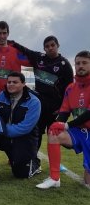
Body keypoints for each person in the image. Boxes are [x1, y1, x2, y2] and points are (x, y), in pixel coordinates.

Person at [10, 36, 74, 168]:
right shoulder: (39, 58)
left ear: (57, 45)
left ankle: (55, 162)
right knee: (36, 132)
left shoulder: (65, 65)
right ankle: (33, 159)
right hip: (39, 105)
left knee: (54, 134)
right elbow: (26, 51)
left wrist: (62, 108)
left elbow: (69, 90)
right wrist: (14, 43)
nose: (50, 48)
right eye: (47, 46)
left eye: (52, 45)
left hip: (55, 107)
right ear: (44, 48)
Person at [36, 50, 90, 189]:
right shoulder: (71, 88)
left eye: (84, 63)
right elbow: (64, 111)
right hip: (80, 131)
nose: (80, 66)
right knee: (53, 133)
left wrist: (66, 125)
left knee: (88, 181)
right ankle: (55, 178)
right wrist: (57, 124)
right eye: (78, 63)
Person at [0, 72, 41, 180]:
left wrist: (2, 129)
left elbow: (25, 127)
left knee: (21, 174)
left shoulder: (34, 101)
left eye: (15, 82)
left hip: (23, 139)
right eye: (9, 82)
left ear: (23, 84)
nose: (11, 84)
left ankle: (34, 163)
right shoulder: (2, 96)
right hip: (3, 135)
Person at [0, 21, 30, 105]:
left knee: (11, 119)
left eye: (4, 33)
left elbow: (36, 62)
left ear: (8, 34)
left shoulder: (16, 52)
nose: (2, 36)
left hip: (11, 97)